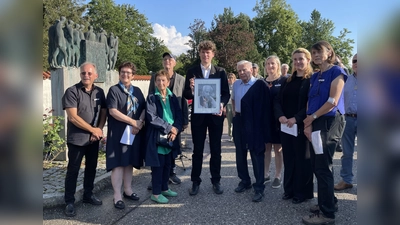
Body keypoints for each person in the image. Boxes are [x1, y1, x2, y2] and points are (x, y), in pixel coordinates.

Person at [302, 41, 347, 225]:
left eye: (319, 51)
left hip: (329, 121)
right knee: (317, 164)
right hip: (315, 121)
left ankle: (327, 214)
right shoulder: (314, 76)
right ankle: (329, 201)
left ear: (329, 53)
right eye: (313, 52)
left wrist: (311, 118)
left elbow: (333, 101)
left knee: (322, 166)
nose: (316, 55)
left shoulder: (337, 72)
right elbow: (310, 100)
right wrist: (307, 122)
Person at [183, 40, 230, 196]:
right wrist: (191, 89)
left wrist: (222, 104)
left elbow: (225, 93)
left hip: (215, 116)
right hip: (198, 117)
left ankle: (216, 180)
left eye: (208, 52)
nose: (205, 54)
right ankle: (195, 181)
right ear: (199, 53)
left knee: (216, 150)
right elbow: (186, 95)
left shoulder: (221, 72)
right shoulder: (192, 71)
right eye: (203, 52)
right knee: (197, 151)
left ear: (213, 54)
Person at [62, 62, 107, 217]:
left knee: (91, 168)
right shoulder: (72, 91)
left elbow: (103, 113)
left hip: (93, 140)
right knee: (73, 170)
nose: (86, 76)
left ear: (96, 75)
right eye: (83, 73)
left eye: (89, 73)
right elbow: (73, 118)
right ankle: (69, 201)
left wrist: (99, 130)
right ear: (80, 75)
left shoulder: (100, 92)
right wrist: (92, 129)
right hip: (77, 140)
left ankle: (88, 195)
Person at [274, 48, 314, 204]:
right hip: (286, 126)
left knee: (302, 159)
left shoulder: (311, 80)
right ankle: (288, 190)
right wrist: (281, 116)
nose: (298, 62)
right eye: (295, 59)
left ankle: (301, 192)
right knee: (289, 158)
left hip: (301, 125)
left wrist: (296, 118)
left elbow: (311, 104)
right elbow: (277, 100)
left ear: (308, 60)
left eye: (301, 59)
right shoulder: (287, 80)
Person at [106, 62, 146, 209]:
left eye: (128, 72)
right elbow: (113, 111)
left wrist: (140, 122)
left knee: (129, 162)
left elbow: (144, 108)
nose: (125, 75)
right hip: (118, 133)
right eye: (123, 72)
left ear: (133, 75)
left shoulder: (138, 91)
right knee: (118, 163)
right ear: (119, 73)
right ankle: (117, 196)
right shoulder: (114, 90)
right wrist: (133, 122)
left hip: (134, 133)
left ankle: (128, 190)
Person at [147, 52, 188, 189]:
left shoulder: (182, 79)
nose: (167, 62)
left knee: (172, 151)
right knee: (158, 154)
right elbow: (150, 103)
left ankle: (171, 174)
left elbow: (184, 101)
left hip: (176, 123)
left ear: (175, 62)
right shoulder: (155, 78)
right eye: (165, 59)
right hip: (160, 126)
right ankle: (156, 182)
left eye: (170, 59)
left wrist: (181, 123)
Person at [232, 60, 271, 202]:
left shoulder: (259, 85)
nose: (242, 73)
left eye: (244, 70)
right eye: (239, 71)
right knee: (240, 152)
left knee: (256, 154)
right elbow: (234, 100)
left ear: (252, 69)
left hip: (254, 123)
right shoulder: (236, 84)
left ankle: (259, 187)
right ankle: (244, 181)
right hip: (239, 120)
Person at [145, 70, 183, 203]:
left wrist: (175, 130)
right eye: (158, 80)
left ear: (168, 82)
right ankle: (155, 193)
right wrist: (169, 128)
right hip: (158, 135)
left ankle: (165, 188)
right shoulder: (151, 98)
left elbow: (179, 115)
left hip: (171, 135)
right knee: (158, 165)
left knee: (168, 163)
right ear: (155, 82)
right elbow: (151, 117)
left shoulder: (172, 98)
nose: (161, 83)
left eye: (163, 80)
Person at [334, 53, 357, 191]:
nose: (357, 63)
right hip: (348, 118)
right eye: (355, 60)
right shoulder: (346, 79)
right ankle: (346, 180)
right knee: (347, 153)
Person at [264, 55, 286, 189]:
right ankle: (266, 174)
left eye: (273, 64)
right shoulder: (261, 82)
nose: (270, 66)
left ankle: (278, 176)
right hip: (265, 120)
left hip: (279, 120)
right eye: (268, 64)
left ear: (278, 65)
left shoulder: (284, 81)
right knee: (266, 149)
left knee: (278, 149)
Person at [225, 73, 236, 141]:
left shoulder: (236, 86)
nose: (230, 79)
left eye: (232, 78)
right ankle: (231, 135)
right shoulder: (227, 87)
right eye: (229, 78)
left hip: (234, 105)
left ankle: (235, 136)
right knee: (229, 121)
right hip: (228, 104)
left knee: (235, 121)